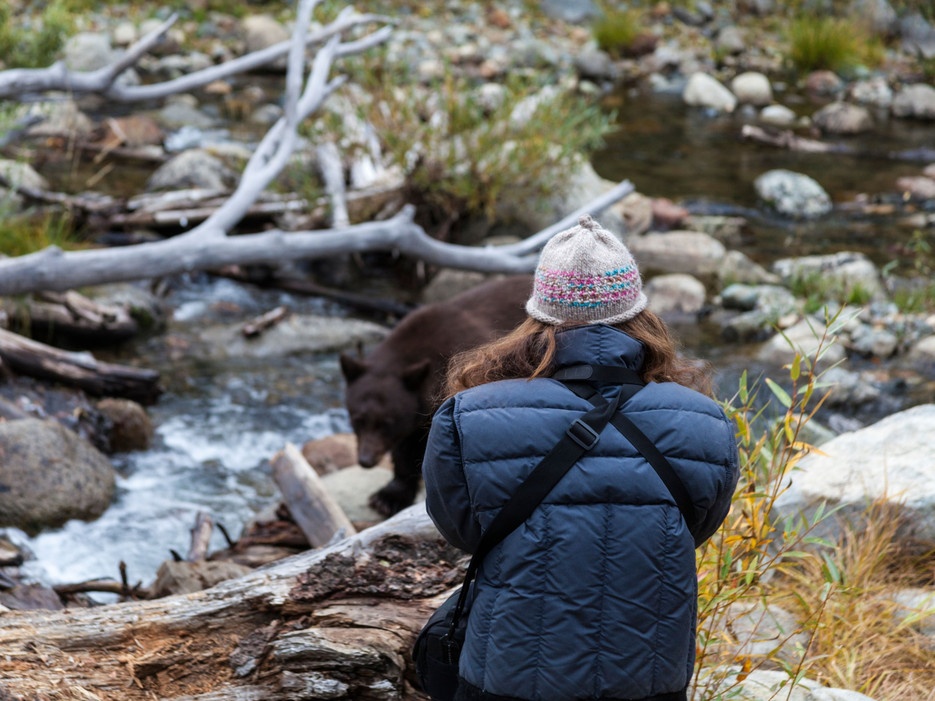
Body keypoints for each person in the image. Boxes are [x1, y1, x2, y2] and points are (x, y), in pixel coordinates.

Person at [421, 215, 740, 701]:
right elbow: (691, 530)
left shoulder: (466, 416)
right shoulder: (708, 422)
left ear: (540, 313)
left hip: (507, 674)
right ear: (638, 312)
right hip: (650, 678)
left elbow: (463, 533)